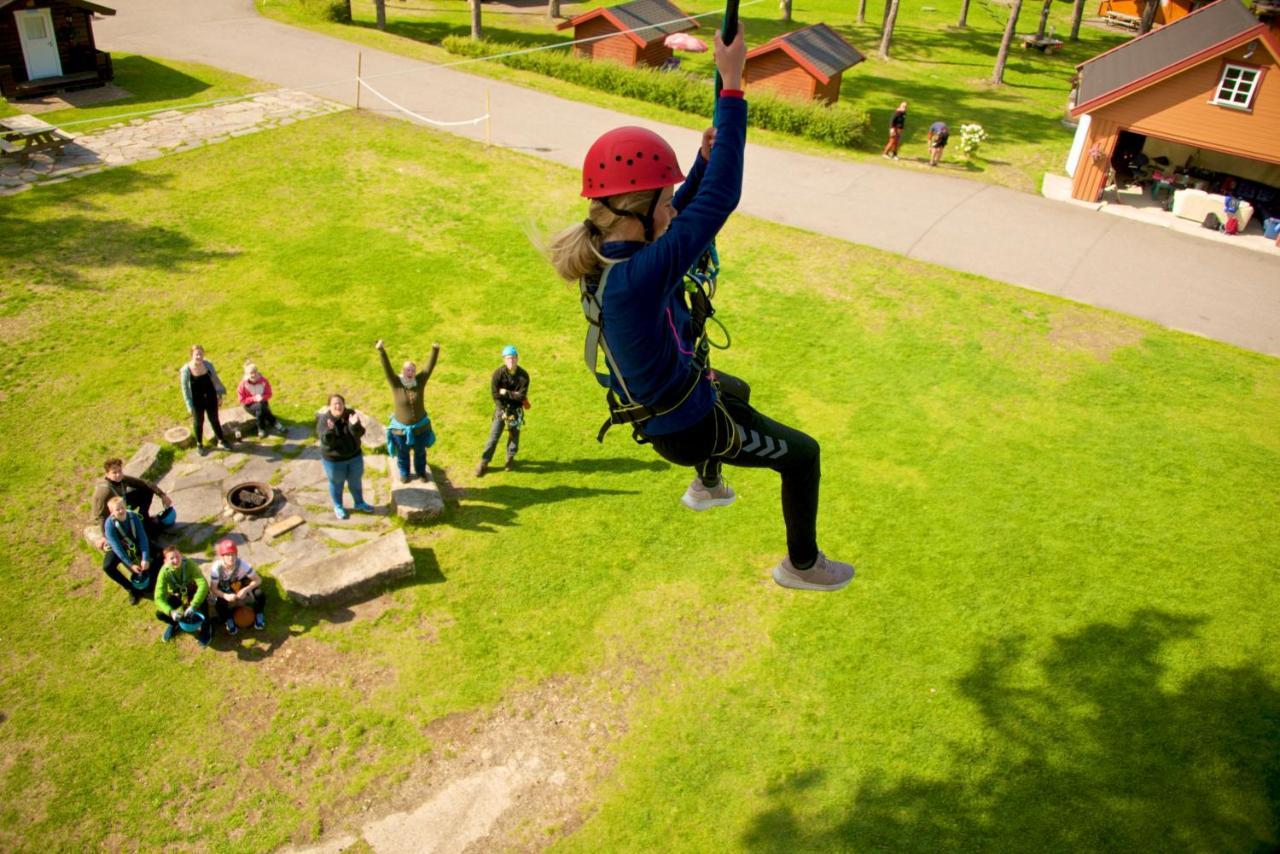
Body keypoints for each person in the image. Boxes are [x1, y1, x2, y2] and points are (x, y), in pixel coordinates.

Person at [545, 26, 854, 592]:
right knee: (803, 455)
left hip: (665, 407)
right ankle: (803, 566)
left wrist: (702, 159)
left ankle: (707, 486)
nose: (672, 206)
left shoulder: (612, 258)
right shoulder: (641, 275)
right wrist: (732, 85)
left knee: (736, 389)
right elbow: (717, 202)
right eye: (664, 199)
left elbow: (684, 205)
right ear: (640, 212)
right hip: (686, 426)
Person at [375, 339, 440, 483]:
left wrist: (435, 350)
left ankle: (421, 472)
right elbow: (387, 369)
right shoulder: (396, 383)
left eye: (412, 370)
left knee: (420, 453)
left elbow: (429, 368)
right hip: (400, 430)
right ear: (402, 371)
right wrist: (381, 351)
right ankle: (404, 473)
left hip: (420, 428)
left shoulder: (420, 382)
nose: (409, 372)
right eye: (407, 369)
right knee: (403, 453)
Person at [316, 393, 374, 519]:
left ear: (344, 404)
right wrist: (330, 431)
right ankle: (338, 506)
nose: (338, 406)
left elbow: (360, 433)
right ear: (329, 406)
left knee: (355, 481)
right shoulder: (325, 420)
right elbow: (327, 444)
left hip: (354, 457)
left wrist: (354, 425)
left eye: (340, 403)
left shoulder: (350, 414)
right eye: (334, 404)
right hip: (335, 461)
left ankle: (359, 503)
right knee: (337, 483)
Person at [475, 345, 530, 477]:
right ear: (504, 360)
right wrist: (502, 409)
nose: (510, 361)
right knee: (493, 436)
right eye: (508, 358)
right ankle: (484, 462)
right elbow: (495, 395)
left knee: (513, 435)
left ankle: (510, 459)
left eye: (513, 358)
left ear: (517, 358)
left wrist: (506, 392)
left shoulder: (523, 376)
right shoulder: (498, 374)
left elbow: (521, 397)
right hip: (501, 409)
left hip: (516, 410)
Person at [90, 457, 174, 539]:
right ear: (107, 474)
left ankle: (144, 519)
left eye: (120, 471)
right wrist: (105, 536)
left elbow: (144, 483)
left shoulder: (122, 479)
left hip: (122, 504)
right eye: (114, 472)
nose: (118, 474)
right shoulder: (104, 491)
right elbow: (100, 515)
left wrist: (162, 495)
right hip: (112, 514)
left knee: (146, 490)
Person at [180, 345, 233, 455]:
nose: (199, 356)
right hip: (196, 400)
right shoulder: (186, 370)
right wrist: (189, 406)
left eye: (201, 354)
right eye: (196, 354)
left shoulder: (208, 364)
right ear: (191, 355)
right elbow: (185, 389)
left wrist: (219, 396)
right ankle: (199, 444)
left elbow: (215, 380)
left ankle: (221, 440)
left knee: (214, 419)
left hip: (210, 396)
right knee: (198, 422)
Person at [102, 496, 156, 605]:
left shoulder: (133, 517)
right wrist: (130, 565)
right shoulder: (109, 525)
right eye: (117, 509)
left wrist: (145, 558)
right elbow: (117, 548)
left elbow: (142, 537)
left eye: (122, 507)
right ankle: (131, 589)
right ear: (111, 512)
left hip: (134, 541)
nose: (121, 511)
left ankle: (150, 578)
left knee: (156, 553)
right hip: (121, 547)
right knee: (107, 566)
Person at [155, 545, 211, 646]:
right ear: (166, 560)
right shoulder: (164, 572)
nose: (176, 560)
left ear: (181, 555)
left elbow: (203, 584)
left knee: (203, 602)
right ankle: (174, 623)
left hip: (192, 592)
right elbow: (158, 597)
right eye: (172, 558)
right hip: (178, 595)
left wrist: (194, 604)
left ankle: (206, 628)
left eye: (177, 556)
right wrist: (170, 612)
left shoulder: (189, 564)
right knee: (160, 613)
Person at [207, 539, 265, 635]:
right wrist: (225, 595)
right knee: (219, 603)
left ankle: (259, 613)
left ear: (236, 554)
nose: (231, 558)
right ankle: (228, 618)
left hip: (240, 583)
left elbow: (258, 580)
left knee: (259, 594)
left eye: (233, 554)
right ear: (222, 556)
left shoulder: (243, 565)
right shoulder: (216, 569)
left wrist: (245, 590)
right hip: (224, 586)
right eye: (227, 555)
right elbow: (213, 588)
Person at [237, 362, 286, 437]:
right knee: (261, 407)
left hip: (262, 402)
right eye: (251, 373)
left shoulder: (264, 381)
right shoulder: (242, 385)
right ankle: (275, 423)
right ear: (247, 375)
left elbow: (269, 394)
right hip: (249, 405)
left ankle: (261, 429)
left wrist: (262, 397)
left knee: (260, 409)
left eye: (255, 372)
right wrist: (254, 399)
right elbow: (242, 400)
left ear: (257, 372)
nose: (254, 375)